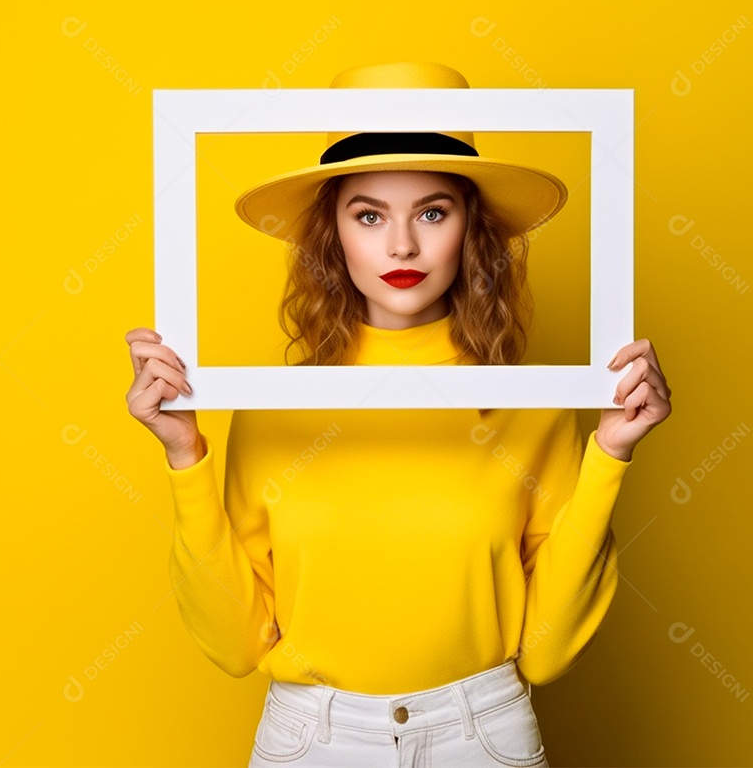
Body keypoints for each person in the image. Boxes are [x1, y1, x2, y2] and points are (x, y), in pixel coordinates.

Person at [125, 62, 671, 767]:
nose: (403, 246)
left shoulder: (532, 406)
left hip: (481, 735)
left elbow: (548, 653)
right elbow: (236, 646)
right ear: (335, 235)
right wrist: (184, 457)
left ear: (471, 229)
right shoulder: (277, 409)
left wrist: (611, 456)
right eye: (370, 215)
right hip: (310, 740)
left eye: (433, 212)